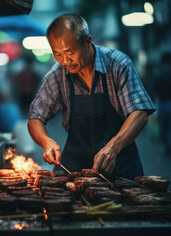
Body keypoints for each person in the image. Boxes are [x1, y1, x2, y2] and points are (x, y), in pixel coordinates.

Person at [27, 14, 156, 180]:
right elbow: (35, 119)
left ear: (88, 42)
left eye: (70, 52)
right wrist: (46, 141)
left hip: (121, 167)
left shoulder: (118, 64)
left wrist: (113, 148)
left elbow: (140, 114)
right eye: (57, 54)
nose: (65, 61)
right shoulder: (56, 75)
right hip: (74, 170)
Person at [151, 51, 171, 154]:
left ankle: (167, 146)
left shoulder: (158, 75)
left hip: (162, 104)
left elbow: (154, 91)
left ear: (162, 62)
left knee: (163, 126)